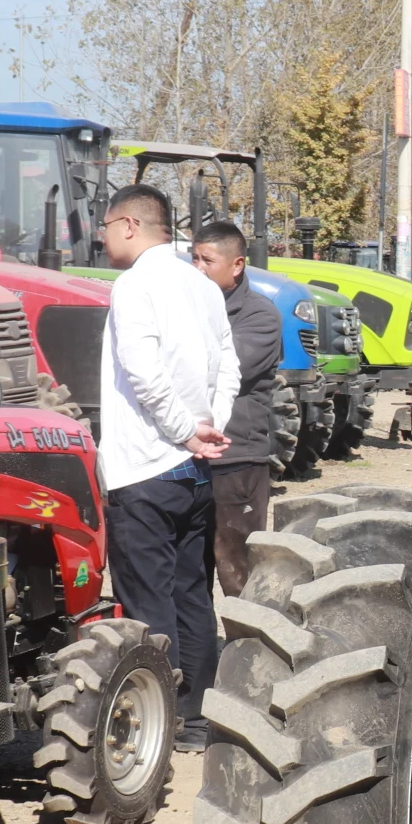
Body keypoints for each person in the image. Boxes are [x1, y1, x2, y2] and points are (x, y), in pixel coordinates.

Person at [99, 183, 239, 752]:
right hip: (195, 468)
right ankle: (197, 721)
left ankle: (156, 725)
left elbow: (142, 370)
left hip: (145, 467)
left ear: (130, 225)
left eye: (106, 226)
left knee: (148, 602)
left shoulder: (135, 284)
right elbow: (227, 363)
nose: (102, 236)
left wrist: (185, 429)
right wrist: (208, 428)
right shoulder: (200, 284)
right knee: (191, 597)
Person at [191, 221, 281, 596]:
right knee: (190, 574)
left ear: (237, 265)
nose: (197, 268)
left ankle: (248, 652)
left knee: (238, 573)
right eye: (193, 258)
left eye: (207, 260)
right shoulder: (186, 309)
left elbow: (218, 371)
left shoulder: (259, 317)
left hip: (237, 461)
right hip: (191, 458)